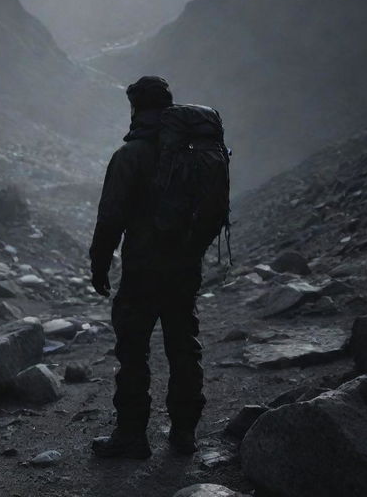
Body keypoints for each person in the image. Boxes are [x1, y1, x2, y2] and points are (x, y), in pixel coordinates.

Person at [90, 76, 223, 459]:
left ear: (135, 108)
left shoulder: (129, 156)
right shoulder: (195, 150)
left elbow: (110, 217)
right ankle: (184, 434)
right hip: (185, 266)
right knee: (183, 347)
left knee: (133, 352)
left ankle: (132, 436)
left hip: (142, 271)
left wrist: (99, 266)